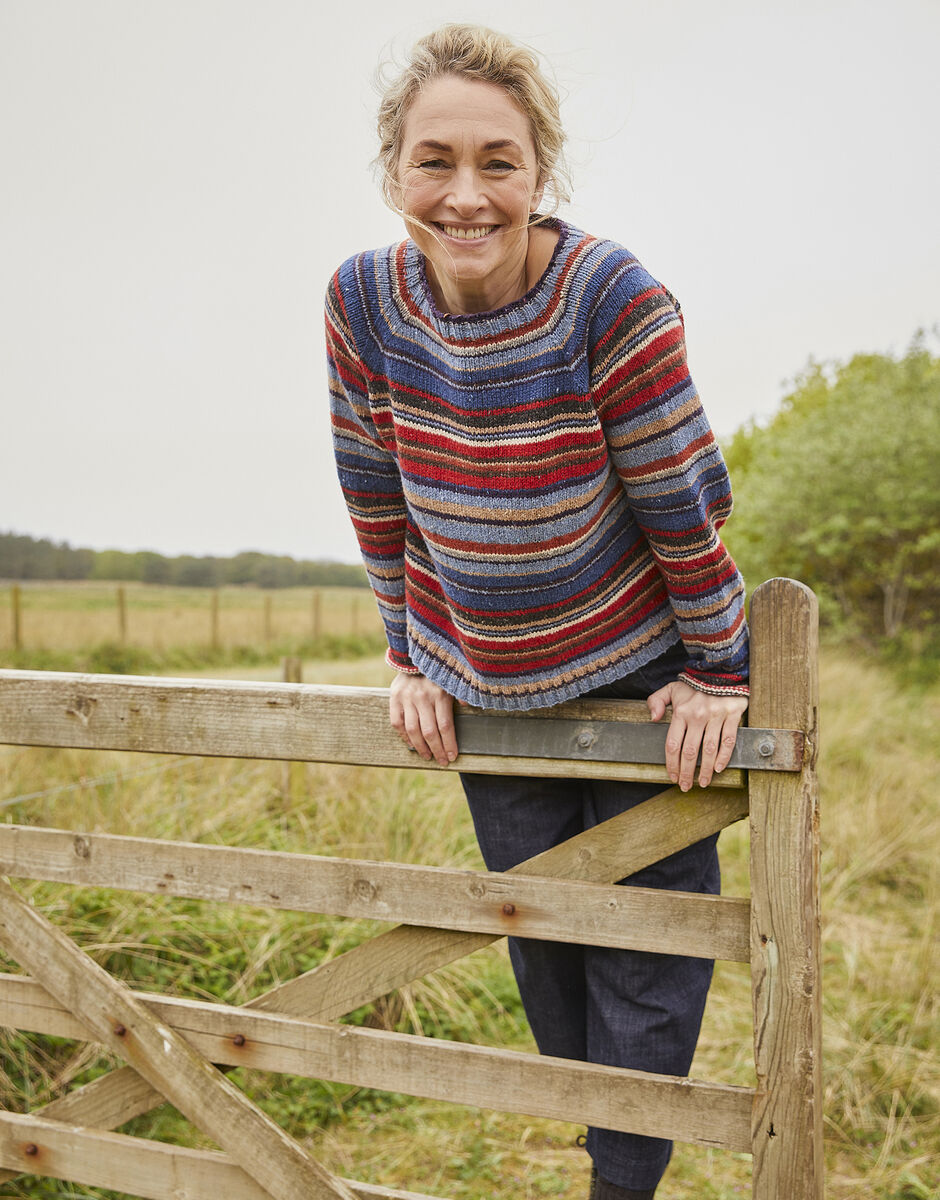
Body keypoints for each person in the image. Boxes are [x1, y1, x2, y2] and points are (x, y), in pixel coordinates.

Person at [327, 24, 749, 1200]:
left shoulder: (607, 296)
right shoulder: (362, 303)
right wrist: (408, 653)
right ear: (393, 170)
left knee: (648, 951)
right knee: (543, 934)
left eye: (498, 162)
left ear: (539, 172)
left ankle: (623, 1183)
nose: (465, 195)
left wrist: (717, 670)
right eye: (434, 160)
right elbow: (374, 491)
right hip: (482, 685)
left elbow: (681, 498)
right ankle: (598, 1135)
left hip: (638, 680)